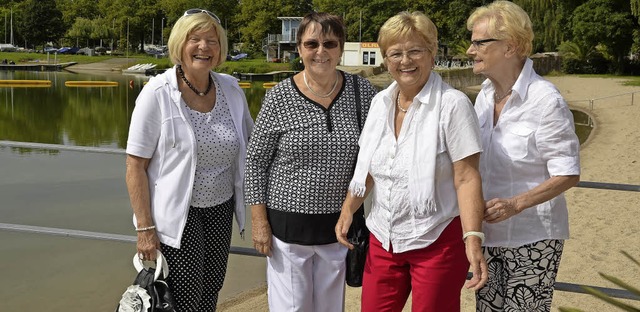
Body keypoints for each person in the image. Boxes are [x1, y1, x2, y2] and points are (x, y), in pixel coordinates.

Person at [335, 11, 488, 312]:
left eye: (415, 50)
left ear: (432, 53)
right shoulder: (380, 103)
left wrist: (472, 237)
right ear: (386, 59)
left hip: (437, 239)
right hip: (383, 238)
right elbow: (368, 168)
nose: (405, 60)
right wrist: (347, 211)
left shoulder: (453, 105)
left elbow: (467, 178)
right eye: (396, 53)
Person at [244, 12, 378, 312]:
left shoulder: (362, 94)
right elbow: (255, 162)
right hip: (287, 228)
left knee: (331, 308)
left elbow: (375, 157)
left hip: (339, 227)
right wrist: (258, 222)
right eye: (312, 43)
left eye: (329, 43)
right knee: (292, 308)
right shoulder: (280, 97)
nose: (321, 51)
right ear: (300, 49)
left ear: (341, 48)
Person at [125, 8, 253, 311]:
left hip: (221, 208)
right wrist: (145, 229)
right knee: (184, 295)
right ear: (180, 44)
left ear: (220, 49)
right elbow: (135, 165)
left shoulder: (232, 90)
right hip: (179, 215)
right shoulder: (157, 92)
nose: (204, 47)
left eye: (212, 40)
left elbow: (253, 144)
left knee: (212, 286)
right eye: (195, 39)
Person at [466, 1, 581, 311]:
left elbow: (568, 172)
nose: (469, 50)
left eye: (479, 42)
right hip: (488, 237)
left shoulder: (546, 101)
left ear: (510, 46)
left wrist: (515, 204)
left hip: (533, 238)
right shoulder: (485, 96)